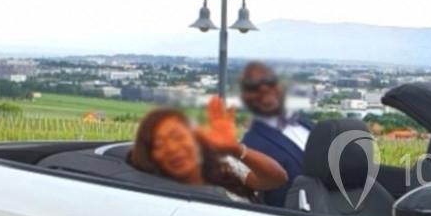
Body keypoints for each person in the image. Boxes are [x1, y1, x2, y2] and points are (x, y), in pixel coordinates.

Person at [128, 97, 287, 202]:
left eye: (177, 137)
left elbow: (277, 179)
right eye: (159, 145)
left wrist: (236, 149)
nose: (172, 148)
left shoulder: (223, 163)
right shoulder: (152, 186)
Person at [239, 61, 311, 207]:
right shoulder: (251, 144)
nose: (265, 89)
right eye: (254, 87)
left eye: (270, 82)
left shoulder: (306, 124)